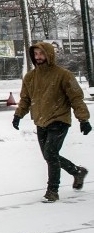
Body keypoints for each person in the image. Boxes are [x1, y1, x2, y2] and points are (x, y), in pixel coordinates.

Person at [13, 41, 92, 202]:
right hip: (41, 121)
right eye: (35, 54)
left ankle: (52, 190)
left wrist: (83, 119)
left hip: (59, 120)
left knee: (50, 154)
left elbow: (76, 98)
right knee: (50, 155)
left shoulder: (63, 75)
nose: (38, 57)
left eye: (41, 54)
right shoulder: (30, 77)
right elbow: (25, 99)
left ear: (49, 54)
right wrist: (18, 115)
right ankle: (77, 172)